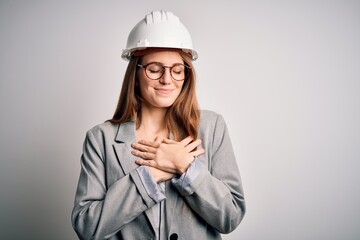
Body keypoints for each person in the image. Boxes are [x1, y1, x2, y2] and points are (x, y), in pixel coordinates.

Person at [71, 10, 246, 240]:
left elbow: (230, 216)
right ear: (136, 72)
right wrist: (150, 175)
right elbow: (87, 226)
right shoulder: (100, 139)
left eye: (177, 70)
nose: (167, 79)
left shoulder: (212, 127)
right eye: (155, 69)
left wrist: (185, 165)